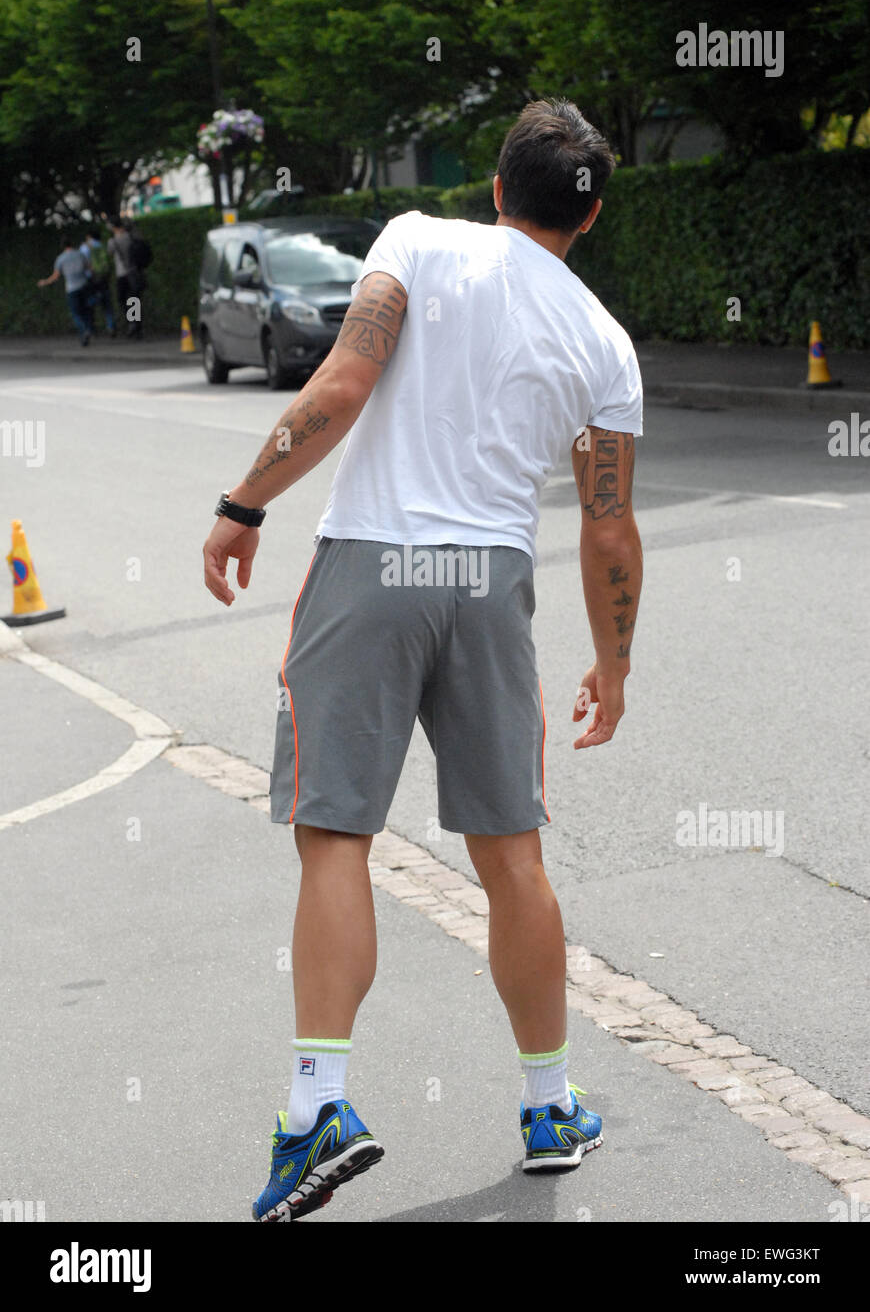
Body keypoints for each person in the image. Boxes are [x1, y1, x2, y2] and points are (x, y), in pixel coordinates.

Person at [201, 98, 644, 1222]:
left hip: (378, 563)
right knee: (513, 856)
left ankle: (316, 1107)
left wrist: (243, 504)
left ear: (498, 189)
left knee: (336, 830)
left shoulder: (415, 240)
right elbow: (607, 528)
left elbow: (342, 389)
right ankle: (550, 1106)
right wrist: (614, 665)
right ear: (586, 223)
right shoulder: (604, 341)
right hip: (491, 586)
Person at [37, 234, 93, 345]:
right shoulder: (80, 254)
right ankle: (88, 329)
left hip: (71, 288)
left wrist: (45, 282)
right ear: (72, 244)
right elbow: (89, 268)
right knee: (85, 310)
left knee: (76, 313)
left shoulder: (61, 259)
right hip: (84, 285)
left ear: (62, 246)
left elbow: (55, 276)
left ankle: (83, 331)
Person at [107, 217, 142, 339]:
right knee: (134, 299)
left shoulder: (112, 241)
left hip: (121, 273)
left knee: (122, 299)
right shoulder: (130, 236)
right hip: (134, 271)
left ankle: (132, 322)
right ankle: (137, 327)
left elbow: (109, 253)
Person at [80, 230, 116, 337]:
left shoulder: (85, 247)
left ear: (89, 236)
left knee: (89, 305)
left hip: (91, 279)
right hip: (104, 278)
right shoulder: (103, 246)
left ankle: (91, 328)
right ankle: (111, 326)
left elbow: (82, 262)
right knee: (107, 305)